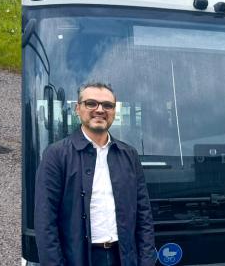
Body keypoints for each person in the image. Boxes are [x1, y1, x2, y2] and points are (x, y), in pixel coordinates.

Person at [34, 82, 156, 266]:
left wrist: (146, 262)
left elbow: (143, 214)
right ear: (78, 108)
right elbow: (45, 221)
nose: (100, 110)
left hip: (123, 257)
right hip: (79, 259)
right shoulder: (56, 155)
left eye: (107, 105)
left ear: (114, 111)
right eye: (91, 103)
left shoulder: (129, 154)